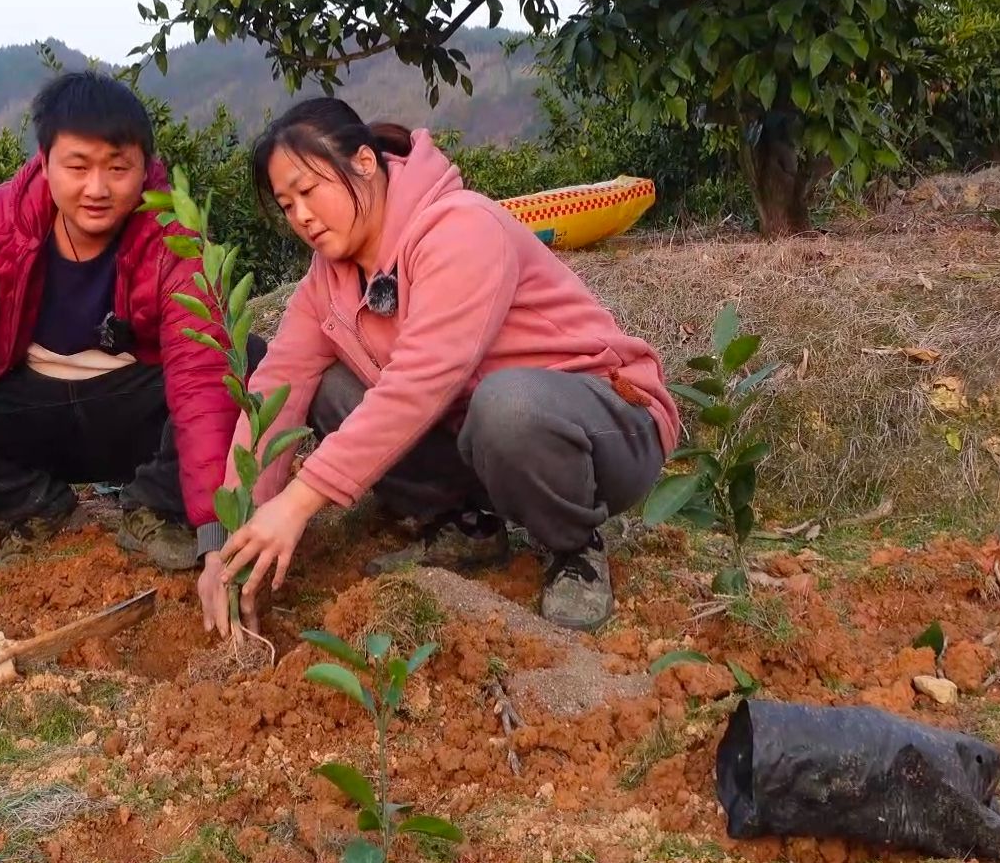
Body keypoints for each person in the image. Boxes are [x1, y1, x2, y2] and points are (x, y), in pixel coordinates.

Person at [197, 97, 681, 634]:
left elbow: (420, 383)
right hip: (480, 434)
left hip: (604, 427)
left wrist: (298, 501)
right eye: (287, 205)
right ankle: (467, 526)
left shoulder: (460, 228)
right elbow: (276, 389)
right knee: (333, 389)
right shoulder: (327, 280)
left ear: (363, 162)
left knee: (508, 404)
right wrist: (228, 538)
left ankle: (575, 544)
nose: (302, 217)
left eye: (309, 191)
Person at [0, 70, 254, 570]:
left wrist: (213, 531)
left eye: (117, 169)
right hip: (29, 409)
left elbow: (200, 378)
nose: (97, 189)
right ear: (45, 161)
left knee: (244, 358)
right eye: (77, 167)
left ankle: (153, 508)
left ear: (145, 166)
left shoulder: (174, 233)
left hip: (130, 410)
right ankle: (37, 507)